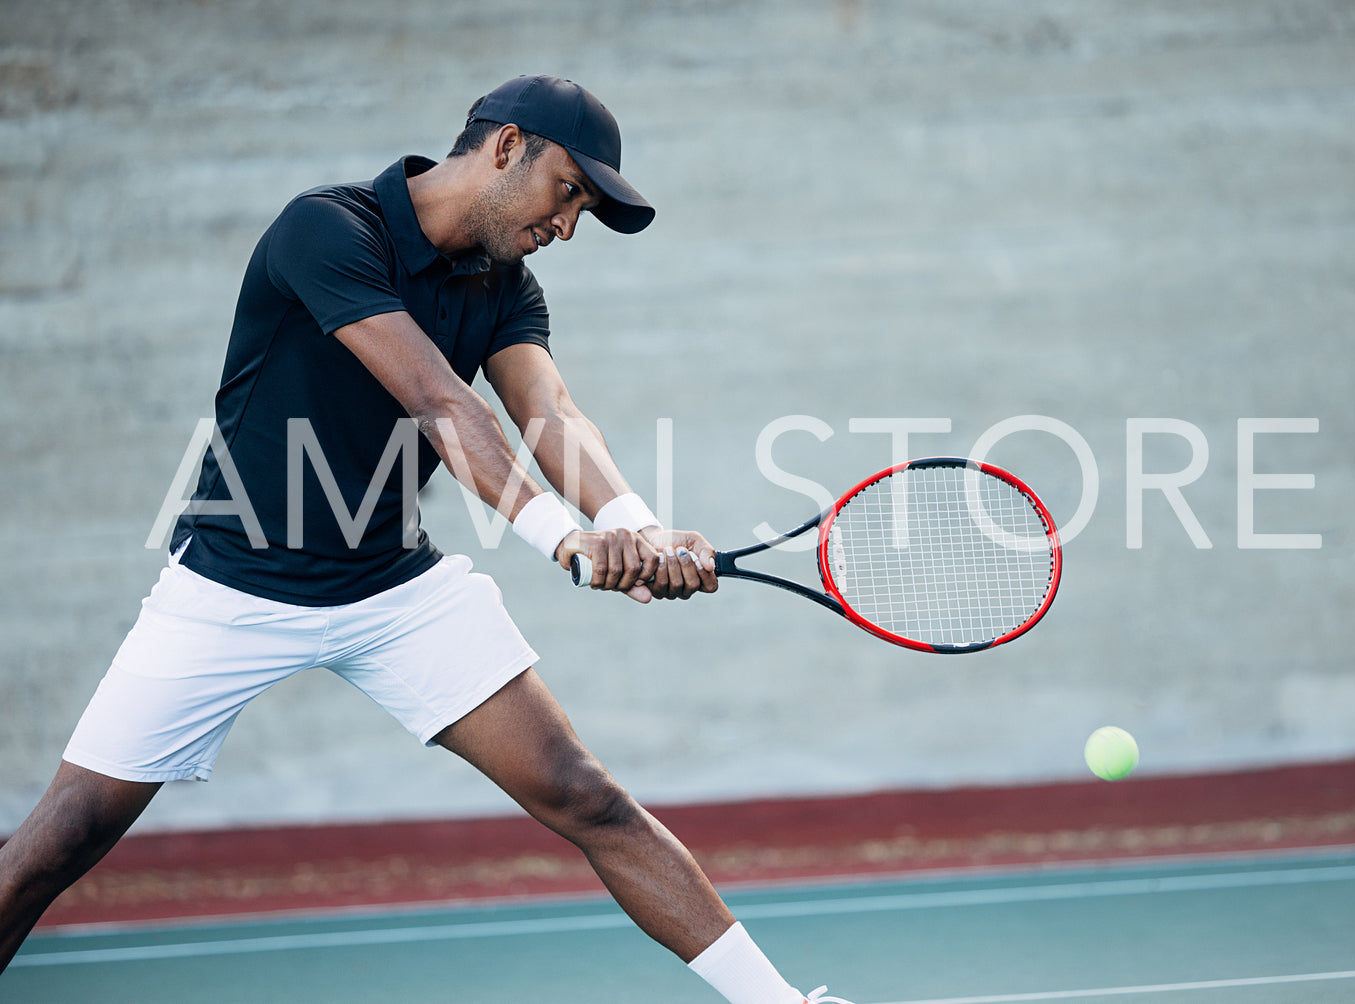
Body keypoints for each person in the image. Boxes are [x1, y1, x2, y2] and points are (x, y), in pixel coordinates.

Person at [0, 74, 853, 1004]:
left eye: (586, 211)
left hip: (390, 593)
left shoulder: (504, 286)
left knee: (586, 795)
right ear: (504, 146)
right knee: (62, 837)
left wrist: (631, 525)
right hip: (230, 590)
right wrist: (567, 546)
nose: (569, 225)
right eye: (568, 190)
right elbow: (442, 405)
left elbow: (548, 411)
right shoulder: (326, 229)